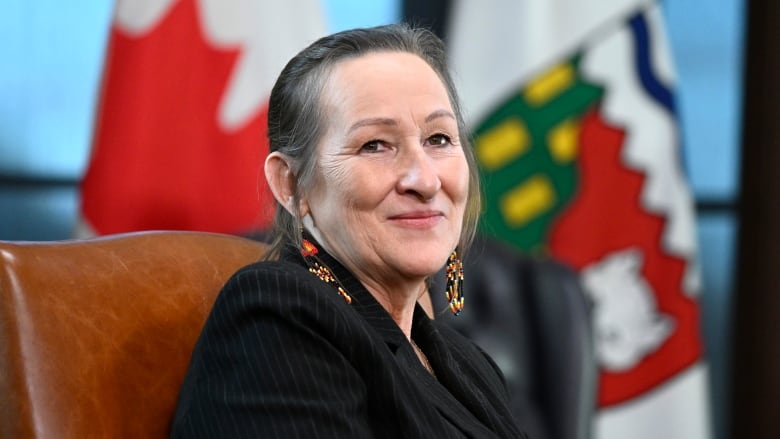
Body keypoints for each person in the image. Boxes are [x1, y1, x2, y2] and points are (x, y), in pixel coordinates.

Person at [170, 23, 527, 438]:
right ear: (292, 184)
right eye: (374, 145)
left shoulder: (470, 364)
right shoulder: (279, 313)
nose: (426, 180)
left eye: (439, 138)